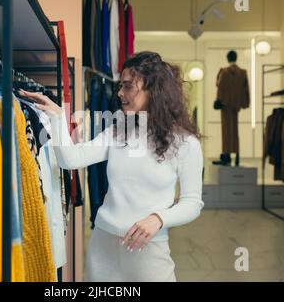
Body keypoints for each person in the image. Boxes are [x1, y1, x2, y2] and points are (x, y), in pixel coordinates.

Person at [20, 51, 204, 282]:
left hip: (147, 250)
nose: (119, 93)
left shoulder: (186, 143)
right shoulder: (120, 129)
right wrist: (57, 118)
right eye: (120, 86)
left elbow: (193, 203)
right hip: (103, 245)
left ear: (153, 89)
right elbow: (71, 159)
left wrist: (159, 218)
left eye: (127, 86)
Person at [212, 50, 250, 166]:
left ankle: (227, 155)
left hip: (225, 105)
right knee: (234, 130)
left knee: (226, 131)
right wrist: (245, 103)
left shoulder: (224, 72)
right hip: (236, 106)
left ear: (228, 59)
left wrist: (218, 101)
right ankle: (237, 154)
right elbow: (246, 90)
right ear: (236, 58)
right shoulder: (243, 73)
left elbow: (220, 86)